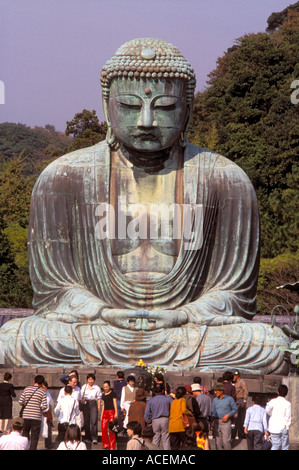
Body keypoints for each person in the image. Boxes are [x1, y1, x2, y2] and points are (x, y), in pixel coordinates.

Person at [0, 38, 288, 376]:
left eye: (165, 108)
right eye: (130, 106)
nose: (147, 121)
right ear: (106, 105)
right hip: (99, 329)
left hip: (186, 329)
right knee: (14, 339)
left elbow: (233, 295)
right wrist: (103, 313)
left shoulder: (225, 179)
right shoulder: (63, 178)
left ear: (188, 109)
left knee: (269, 345)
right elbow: (54, 292)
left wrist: (183, 315)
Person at [19, 375, 47, 450]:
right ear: (42, 383)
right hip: (36, 417)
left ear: (34, 381)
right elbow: (45, 406)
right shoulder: (42, 392)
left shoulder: (26, 389)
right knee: (34, 437)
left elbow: (21, 402)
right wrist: (38, 408)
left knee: (25, 435)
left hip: (26, 416)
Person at [144, 383, 173, 450]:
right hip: (165, 419)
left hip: (155, 420)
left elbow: (147, 413)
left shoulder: (151, 400)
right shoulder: (168, 399)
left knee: (155, 438)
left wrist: (149, 421)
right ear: (162, 391)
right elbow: (174, 408)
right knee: (166, 439)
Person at [211, 382, 238, 450]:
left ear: (221, 391)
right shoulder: (215, 400)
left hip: (226, 422)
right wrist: (211, 422)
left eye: (217, 390)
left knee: (226, 441)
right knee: (218, 442)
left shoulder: (229, 399)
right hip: (217, 421)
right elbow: (213, 412)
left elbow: (235, 409)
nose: (215, 392)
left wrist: (228, 415)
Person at [266, 384, 291, 450]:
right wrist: (287, 426)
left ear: (278, 393)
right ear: (286, 394)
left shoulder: (272, 401)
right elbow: (288, 416)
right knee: (285, 447)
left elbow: (267, 410)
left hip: (274, 427)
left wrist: (271, 414)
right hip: (284, 427)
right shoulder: (288, 404)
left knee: (275, 445)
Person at [80, 373, 102, 444]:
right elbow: (81, 396)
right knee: (86, 421)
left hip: (93, 404)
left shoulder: (97, 388)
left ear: (94, 380)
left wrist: (99, 407)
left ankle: (94, 437)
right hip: (86, 404)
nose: (90, 381)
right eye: (89, 379)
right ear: (87, 380)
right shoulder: (84, 387)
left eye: (92, 379)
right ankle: (87, 437)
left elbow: (99, 398)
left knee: (94, 421)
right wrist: (82, 400)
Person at [169, 386, 192, 450]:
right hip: (180, 426)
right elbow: (184, 410)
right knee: (185, 444)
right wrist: (190, 413)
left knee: (174, 446)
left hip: (172, 427)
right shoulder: (182, 400)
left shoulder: (173, 401)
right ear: (184, 394)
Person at [101, 380, 118, 450]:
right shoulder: (103, 395)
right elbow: (103, 405)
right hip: (105, 413)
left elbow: (115, 403)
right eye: (104, 387)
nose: (105, 388)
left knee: (111, 430)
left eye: (107, 387)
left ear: (109, 386)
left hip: (112, 412)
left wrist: (116, 412)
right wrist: (101, 414)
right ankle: (105, 444)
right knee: (103, 429)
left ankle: (112, 446)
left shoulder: (113, 394)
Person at [233, 369, 248, 439]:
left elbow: (246, 391)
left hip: (240, 400)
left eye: (234, 376)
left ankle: (240, 433)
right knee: (235, 418)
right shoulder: (233, 383)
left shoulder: (242, 382)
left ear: (237, 375)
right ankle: (234, 433)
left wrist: (244, 401)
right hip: (235, 401)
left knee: (241, 418)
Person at [41, 381, 54, 449]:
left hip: (47, 414)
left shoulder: (48, 394)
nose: (43, 389)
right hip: (39, 414)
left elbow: (50, 404)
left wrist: (50, 415)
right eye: (42, 387)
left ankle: (48, 445)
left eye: (45, 388)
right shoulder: (38, 394)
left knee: (48, 430)